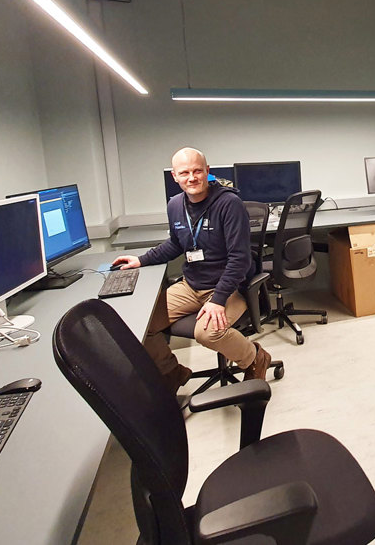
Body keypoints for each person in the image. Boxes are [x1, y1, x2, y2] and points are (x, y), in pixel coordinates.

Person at [112, 147, 271, 393]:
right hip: (191, 285)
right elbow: (176, 244)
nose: (192, 177)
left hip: (229, 288)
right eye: (184, 172)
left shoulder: (229, 204)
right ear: (174, 176)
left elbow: (240, 259)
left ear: (207, 172)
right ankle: (172, 372)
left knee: (208, 333)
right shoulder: (175, 205)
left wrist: (218, 300)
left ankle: (255, 357)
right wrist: (141, 260)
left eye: (197, 171)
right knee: (141, 324)